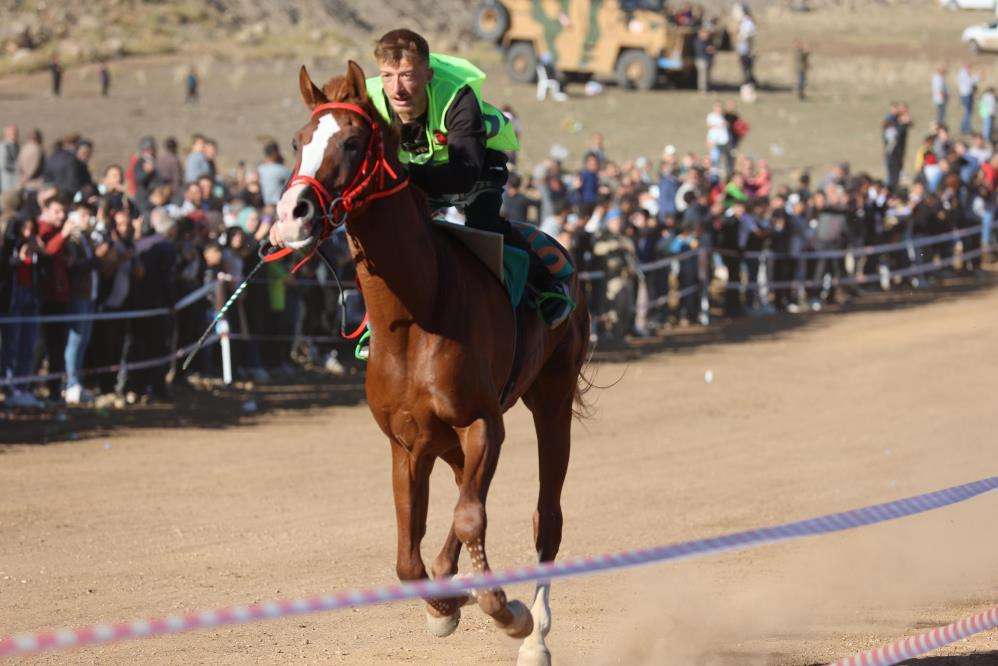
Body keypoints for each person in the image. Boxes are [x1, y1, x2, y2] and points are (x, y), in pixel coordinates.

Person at [366, 28, 573, 327]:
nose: (397, 88)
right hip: (422, 170)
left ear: (429, 75)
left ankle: (546, 286)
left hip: (476, 166)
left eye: (408, 75)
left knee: (483, 224)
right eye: (387, 75)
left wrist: (403, 176)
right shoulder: (370, 99)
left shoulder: (458, 97)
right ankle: (378, 323)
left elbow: (462, 175)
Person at [257, 141, 291, 207]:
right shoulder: (282, 170)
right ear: (275, 153)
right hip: (278, 205)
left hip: (263, 206)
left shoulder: (260, 169)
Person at [957, 63, 978, 135]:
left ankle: (964, 127)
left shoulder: (962, 73)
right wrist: (977, 77)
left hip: (966, 94)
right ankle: (965, 128)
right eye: (969, 67)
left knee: (968, 112)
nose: (970, 68)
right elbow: (970, 82)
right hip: (966, 95)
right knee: (967, 112)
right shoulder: (964, 73)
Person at [693, 27, 715, 94]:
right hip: (701, 61)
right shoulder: (698, 41)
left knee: (707, 76)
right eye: (705, 33)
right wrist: (708, 49)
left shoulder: (707, 41)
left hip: (707, 60)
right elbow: (702, 50)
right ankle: (702, 90)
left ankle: (707, 89)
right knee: (702, 76)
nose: (706, 35)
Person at [0, 125, 18, 195]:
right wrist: (18, 167)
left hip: (15, 182)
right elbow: (4, 164)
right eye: (14, 133)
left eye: (16, 133)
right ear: (7, 134)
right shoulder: (4, 146)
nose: (16, 135)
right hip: (8, 182)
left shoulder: (16, 145)